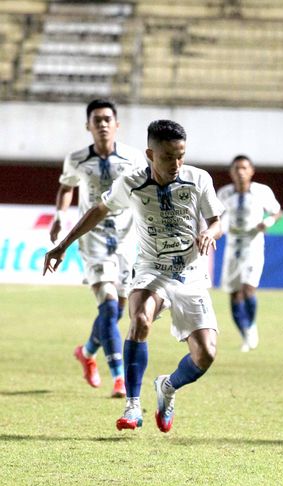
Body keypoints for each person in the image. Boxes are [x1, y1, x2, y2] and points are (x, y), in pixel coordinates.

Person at [44, 119, 225, 433]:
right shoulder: (131, 182)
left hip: (190, 273)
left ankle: (167, 387)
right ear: (150, 154)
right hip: (150, 269)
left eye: (181, 155)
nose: (176, 163)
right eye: (168, 156)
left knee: (206, 354)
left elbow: (216, 221)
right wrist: (63, 246)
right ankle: (132, 405)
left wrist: (210, 232)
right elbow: (99, 210)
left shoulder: (198, 179)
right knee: (139, 319)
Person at [49, 98, 148, 398]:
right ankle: (119, 378)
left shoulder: (133, 159)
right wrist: (59, 216)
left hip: (126, 241)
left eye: (108, 119)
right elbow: (66, 187)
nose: (103, 124)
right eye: (97, 120)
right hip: (92, 241)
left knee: (116, 311)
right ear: (88, 126)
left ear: (117, 125)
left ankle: (87, 351)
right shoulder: (77, 159)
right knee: (107, 305)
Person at [217, 155, 282, 351]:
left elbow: (276, 212)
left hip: (253, 242)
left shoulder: (262, 191)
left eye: (244, 168)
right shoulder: (224, 193)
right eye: (236, 168)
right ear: (231, 172)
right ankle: (245, 333)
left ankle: (251, 326)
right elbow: (215, 216)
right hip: (232, 244)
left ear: (251, 171)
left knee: (248, 288)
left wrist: (267, 222)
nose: (240, 172)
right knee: (234, 293)